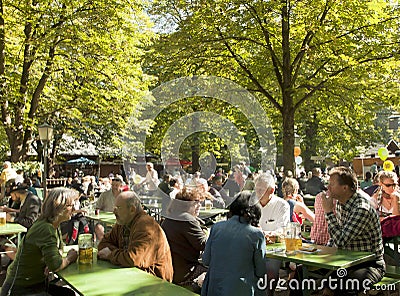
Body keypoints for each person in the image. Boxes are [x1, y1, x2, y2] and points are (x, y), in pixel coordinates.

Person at [0, 187, 79, 296]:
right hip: (20, 289)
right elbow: (56, 265)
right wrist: (70, 258)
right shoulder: (46, 228)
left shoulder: (53, 224)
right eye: (70, 205)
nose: (75, 208)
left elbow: (59, 249)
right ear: (58, 207)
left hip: (35, 284)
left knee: (68, 294)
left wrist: (51, 259)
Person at [321, 166, 384, 296]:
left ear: (345, 188)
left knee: (347, 286)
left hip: (369, 263)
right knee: (303, 274)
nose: (328, 187)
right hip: (345, 261)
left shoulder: (361, 208)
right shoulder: (340, 203)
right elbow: (336, 236)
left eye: (332, 184)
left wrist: (328, 212)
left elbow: (341, 240)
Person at [97, 191, 173, 281]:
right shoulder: (123, 222)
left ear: (132, 210)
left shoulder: (146, 225)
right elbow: (103, 244)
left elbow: (132, 259)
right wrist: (120, 254)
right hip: (134, 278)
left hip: (156, 284)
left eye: (118, 208)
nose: (114, 211)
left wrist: (110, 254)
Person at [201, 191, 267, 296]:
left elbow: (206, 260)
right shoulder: (256, 235)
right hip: (242, 290)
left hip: (214, 289)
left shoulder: (216, 228)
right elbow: (261, 271)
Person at [161, 187, 207, 289]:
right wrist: (212, 234)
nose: (199, 205)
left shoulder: (171, 217)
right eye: (196, 202)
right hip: (185, 273)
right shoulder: (187, 219)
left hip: (170, 269)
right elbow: (203, 244)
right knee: (217, 275)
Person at [255, 172, 290, 296]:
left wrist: (262, 233)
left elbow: (282, 231)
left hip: (273, 250)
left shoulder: (282, 205)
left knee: (270, 272)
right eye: (256, 189)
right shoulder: (251, 204)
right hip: (252, 247)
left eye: (261, 190)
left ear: (272, 190)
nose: (257, 193)